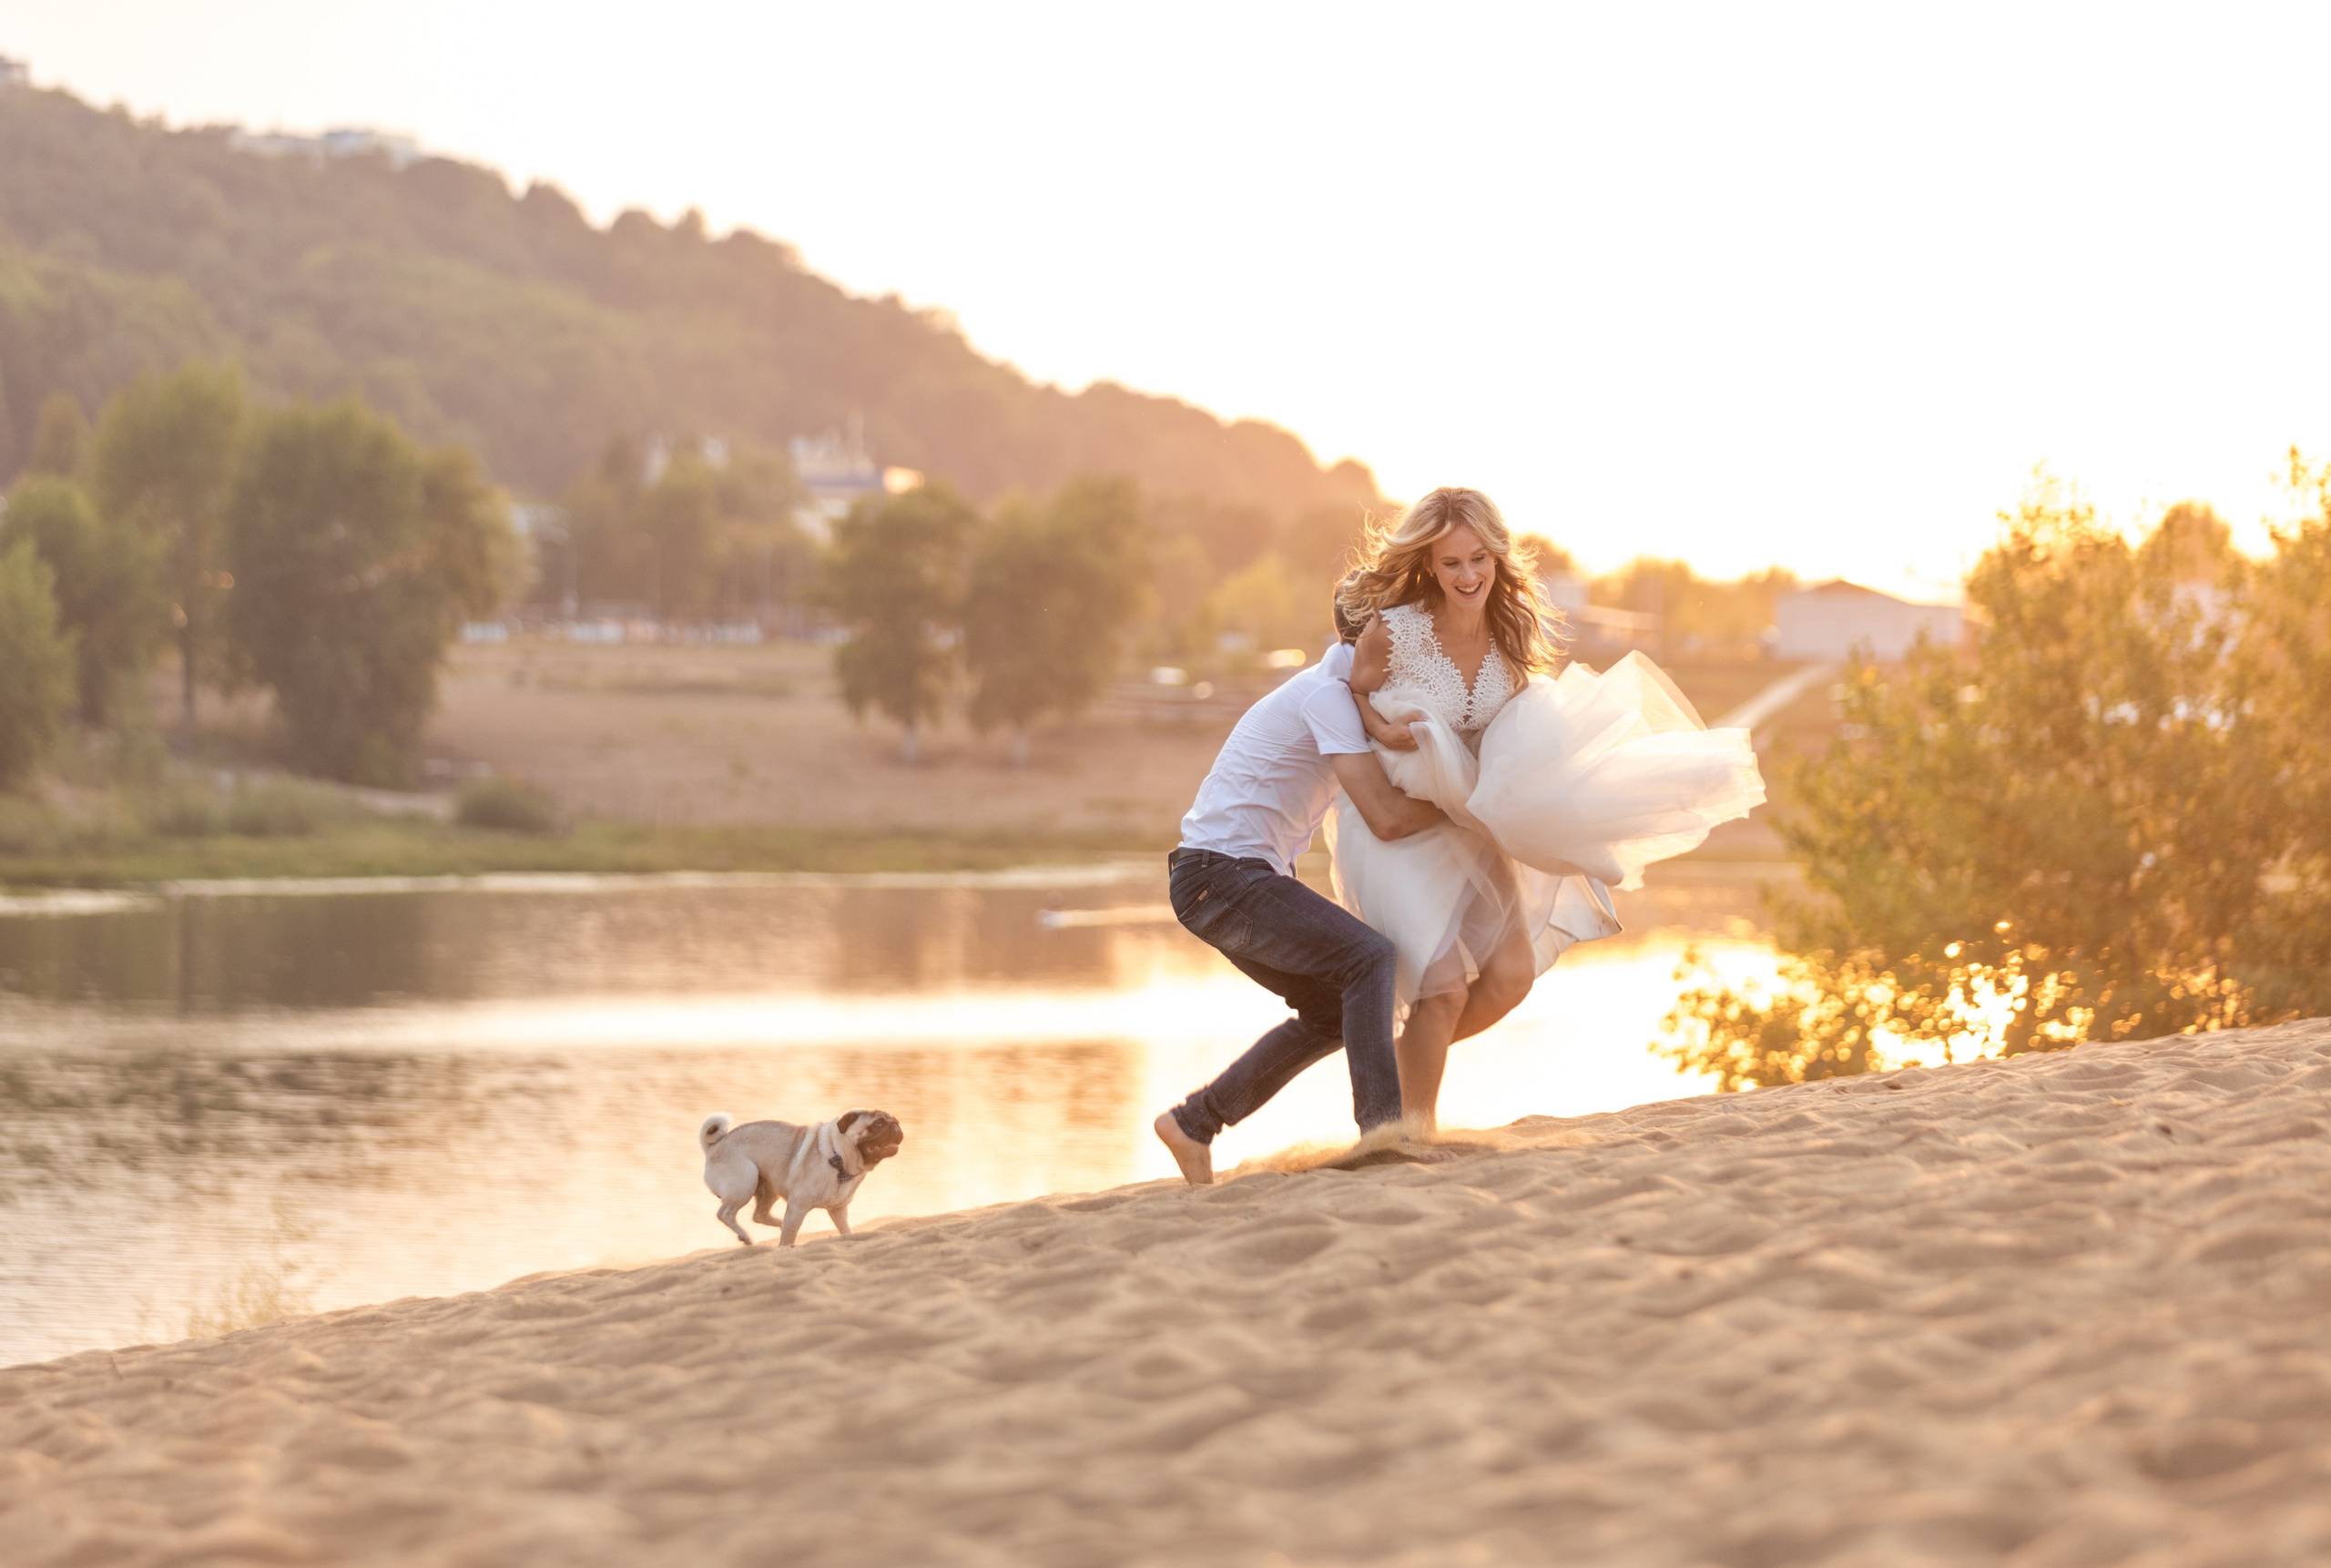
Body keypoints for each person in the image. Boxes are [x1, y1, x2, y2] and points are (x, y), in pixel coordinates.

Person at [1328, 486, 1766, 1133]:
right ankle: (1407, 1132)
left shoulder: (1514, 632)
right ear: (1429, 565)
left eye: (1479, 558)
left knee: (1511, 976)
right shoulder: (1395, 634)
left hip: (1471, 823)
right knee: (1443, 989)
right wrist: (1381, 724)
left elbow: (1522, 720)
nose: (1469, 575)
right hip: (1401, 828)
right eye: (1451, 564)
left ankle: (1391, 1076)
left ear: (1499, 556)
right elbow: (1345, 691)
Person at [1151, 618, 1446, 1186]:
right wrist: (1474, 810)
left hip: (1215, 879)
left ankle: (1193, 1123)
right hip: (1222, 876)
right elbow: (1384, 818)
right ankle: (1384, 1138)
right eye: (1397, 637)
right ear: (1362, 639)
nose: (1406, 652)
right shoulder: (1327, 696)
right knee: (1370, 958)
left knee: (1332, 1013)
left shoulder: (1340, 692)